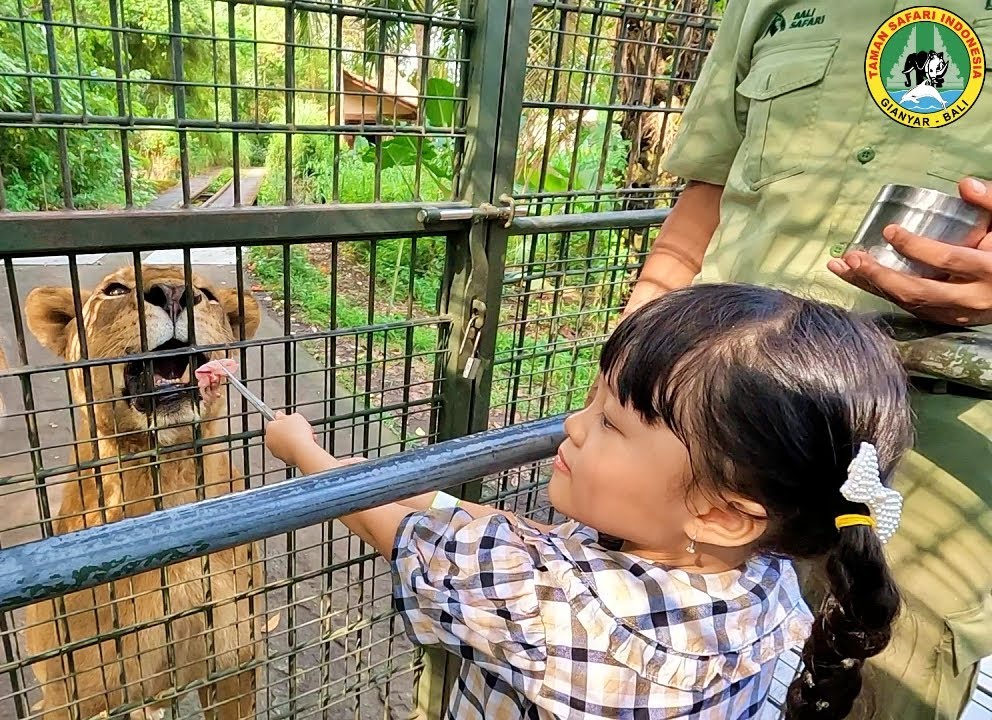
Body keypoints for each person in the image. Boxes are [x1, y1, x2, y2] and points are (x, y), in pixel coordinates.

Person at [265, 283, 915, 718]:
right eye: (592, 400)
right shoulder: (763, 575)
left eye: (610, 423)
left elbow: (408, 541)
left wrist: (309, 455)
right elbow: (534, 544)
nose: (574, 425)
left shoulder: (548, 608)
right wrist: (426, 492)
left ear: (719, 513)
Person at [647, 2, 992, 717]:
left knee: (879, 673)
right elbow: (708, 188)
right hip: (713, 394)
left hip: (934, 418)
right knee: (646, 636)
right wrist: (631, 360)